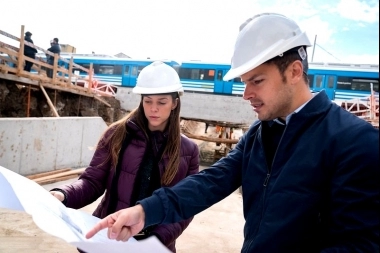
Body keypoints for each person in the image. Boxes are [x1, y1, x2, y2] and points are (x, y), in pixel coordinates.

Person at [86, 13, 379, 252]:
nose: (245, 93)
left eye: (257, 81)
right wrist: (145, 211)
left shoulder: (355, 143)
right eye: (244, 81)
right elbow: (210, 181)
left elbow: (361, 245)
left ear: (294, 71)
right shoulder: (260, 135)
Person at [50, 61, 200, 252]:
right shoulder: (116, 134)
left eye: (161, 102)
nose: (154, 108)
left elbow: (184, 208)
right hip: (106, 238)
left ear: (174, 103)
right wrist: (63, 194)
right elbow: (91, 182)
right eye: (148, 101)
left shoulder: (189, 151)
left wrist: (152, 243)